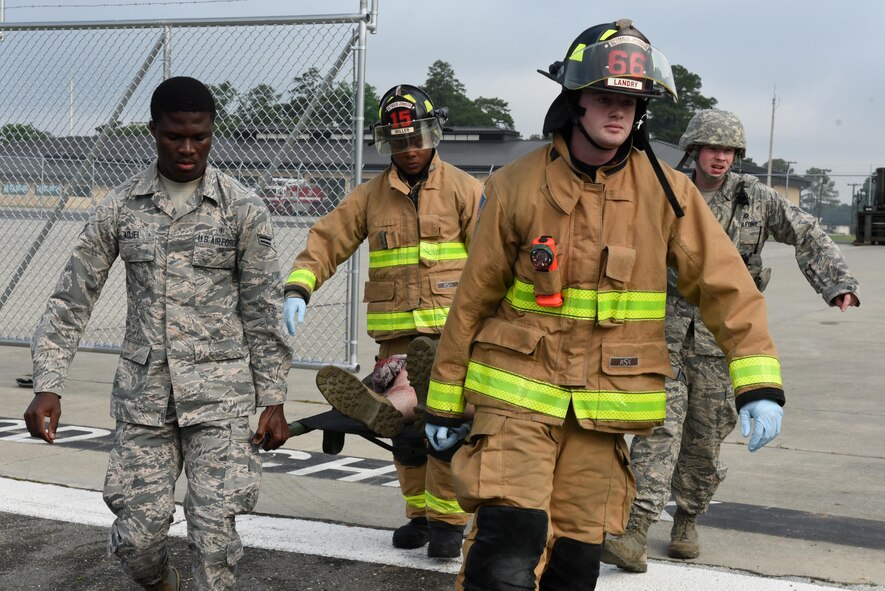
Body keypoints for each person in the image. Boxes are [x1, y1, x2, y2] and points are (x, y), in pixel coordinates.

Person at [422, 19, 788, 591]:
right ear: (575, 101)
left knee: (576, 561)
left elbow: (727, 289)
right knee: (508, 550)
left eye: (630, 101)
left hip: (603, 408)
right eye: (604, 98)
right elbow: (473, 300)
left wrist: (758, 383)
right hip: (515, 397)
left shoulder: (669, 193)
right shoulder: (517, 185)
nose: (617, 112)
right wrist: (444, 403)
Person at [24, 76, 291, 591]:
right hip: (145, 400)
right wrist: (48, 383)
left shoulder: (242, 208)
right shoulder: (120, 208)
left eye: (200, 136)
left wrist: (274, 398)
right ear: (154, 131)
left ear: (212, 132)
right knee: (136, 541)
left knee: (215, 541)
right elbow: (71, 300)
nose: (188, 148)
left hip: (221, 399)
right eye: (174, 136)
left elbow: (263, 309)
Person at [601, 108, 860, 572]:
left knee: (703, 445)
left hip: (721, 346)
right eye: (712, 148)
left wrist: (836, 283)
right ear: (693, 150)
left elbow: (807, 233)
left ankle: (687, 519)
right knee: (657, 433)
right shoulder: (663, 188)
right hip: (662, 336)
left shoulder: (755, 198)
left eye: (729, 150)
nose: (720, 158)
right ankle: (634, 529)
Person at [283, 84, 483, 558]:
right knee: (405, 434)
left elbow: (493, 258)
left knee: (445, 427)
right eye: (398, 142)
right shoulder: (371, 197)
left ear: (434, 135)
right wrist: (299, 287)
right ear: (385, 144)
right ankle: (418, 516)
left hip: (450, 341)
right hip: (397, 340)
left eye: (416, 138)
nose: (409, 150)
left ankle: (448, 524)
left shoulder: (464, 189)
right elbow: (327, 239)